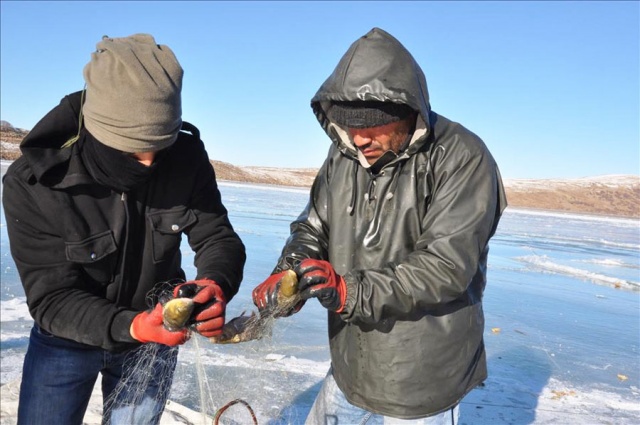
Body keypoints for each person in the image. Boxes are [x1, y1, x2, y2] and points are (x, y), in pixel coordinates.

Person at [252, 27, 507, 424]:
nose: (359, 138)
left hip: (422, 384)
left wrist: (348, 290)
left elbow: (446, 267)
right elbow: (313, 227)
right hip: (350, 367)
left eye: (373, 126)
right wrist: (289, 272)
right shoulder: (345, 155)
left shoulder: (462, 158)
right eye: (350, 125)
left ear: (408, 113)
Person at [2, 34, 246, 424]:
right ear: (97, 130)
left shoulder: (185, 158)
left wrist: (216, 283)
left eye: (159, 148)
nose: (149, 163)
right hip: (66, 338)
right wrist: (132, 325)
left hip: (157, 336)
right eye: (133, 151)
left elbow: (216, 236)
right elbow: (52, 298)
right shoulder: (33, 182)